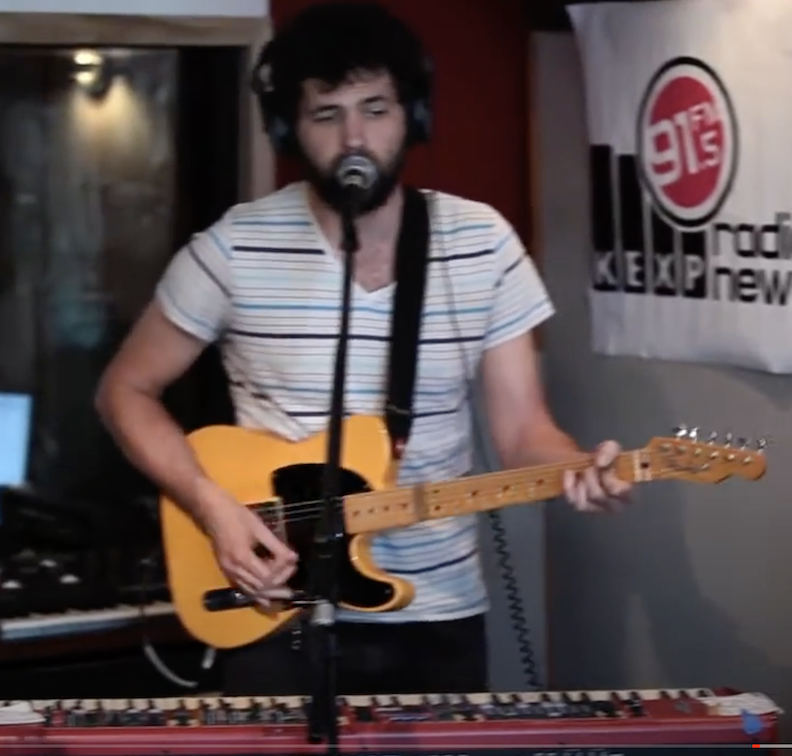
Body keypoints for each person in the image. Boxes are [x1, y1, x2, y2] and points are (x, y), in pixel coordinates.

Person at [94, 1, 632, 697]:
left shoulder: (482, 242)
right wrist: (209, 505)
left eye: (376, 109)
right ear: (291, 128)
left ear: (413, 115)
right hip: (275, 610)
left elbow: (523, 429)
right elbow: (123, 391)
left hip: (438, 614)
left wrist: (578, 467)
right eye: (327, 114)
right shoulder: (234, 246)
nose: (355, 136)